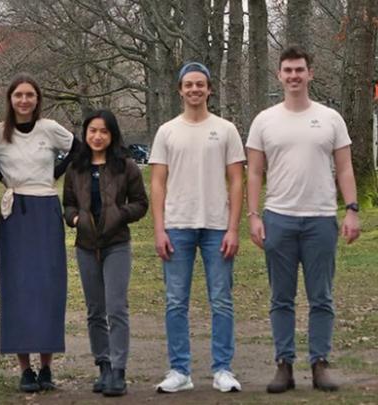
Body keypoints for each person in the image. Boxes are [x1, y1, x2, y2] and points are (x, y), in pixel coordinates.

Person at [246, 46, 360, 394]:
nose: (293, 76)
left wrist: (352, 209)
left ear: (311, 73)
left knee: (321, 296)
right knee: (281, 298)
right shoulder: (264, 120)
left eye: (299, 70)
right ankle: (284, 364)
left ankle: (320, 363)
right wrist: (253, 216)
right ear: (279, 75)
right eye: (287, 70)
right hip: (278, 218)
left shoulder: (330, 118)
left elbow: (344, 167)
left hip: (321, 220)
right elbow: (254, 172)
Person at [150, 62, 245, 394]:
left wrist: (234, 229)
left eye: (200, 84)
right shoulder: (167, 131)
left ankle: (222, 369)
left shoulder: (227, 130)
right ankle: (180, 370)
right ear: (180, 90)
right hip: (177, 226)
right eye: (188, 85)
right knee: (176, 301)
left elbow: (236, 181)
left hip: (217, 227)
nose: (194, 90)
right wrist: (159, 229)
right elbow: (158, 184)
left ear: (209, 89)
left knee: (221, 301)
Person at [0, 73, 74, 392]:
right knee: (17, 289)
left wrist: (55, 174)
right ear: (10, 99)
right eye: (18, 94)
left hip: (46, 210)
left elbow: (79, 148)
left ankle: (46, 367)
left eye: (30, 94)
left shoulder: (50, 129)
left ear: (37, 99)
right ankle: (24, 369)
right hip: (15, 214)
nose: (24, 100)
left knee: (48, 287)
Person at [62, 110, 148, 397]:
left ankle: (119, 370)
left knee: (116, 307)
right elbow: (69, 205)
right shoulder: (76, 167)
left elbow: (140, 203)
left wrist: (119, 215)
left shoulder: (126, 166)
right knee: (95, 310)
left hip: (117, 244)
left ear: (112, 135)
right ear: (85, 134)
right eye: (92, 131)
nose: (97, 136)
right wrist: (75, 219)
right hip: (86, 246)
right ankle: (104, 367)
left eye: (104, 131)